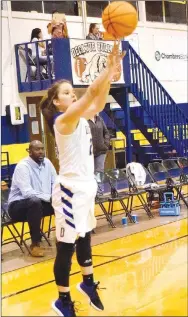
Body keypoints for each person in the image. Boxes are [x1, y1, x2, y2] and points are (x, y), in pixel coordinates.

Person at [41, 41, 125, 316]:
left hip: (86, 186)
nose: (72, 94)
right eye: (67, 92)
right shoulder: (62, 122)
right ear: (57, 101)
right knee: (66, 245)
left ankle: (87, 283)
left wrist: (110, 77)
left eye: (71, 91)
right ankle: (62, 299)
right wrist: (108, 67)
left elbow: (97, 101)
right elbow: (90, 93)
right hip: (69, 190)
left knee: (86, 235)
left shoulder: (81, 117)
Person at [8, 140, 57, 257]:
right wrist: (48, 198)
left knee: (62, 201)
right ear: (29, 151)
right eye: (37, 149)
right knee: (34, 202)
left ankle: (64, 238)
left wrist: (58, 196)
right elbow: (27, 193)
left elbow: (56, 183)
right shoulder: (23, 167)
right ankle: (35, 244)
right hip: (18, 206)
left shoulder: (48, 163)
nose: (40, 152)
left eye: (42, 149)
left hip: (41, 203)